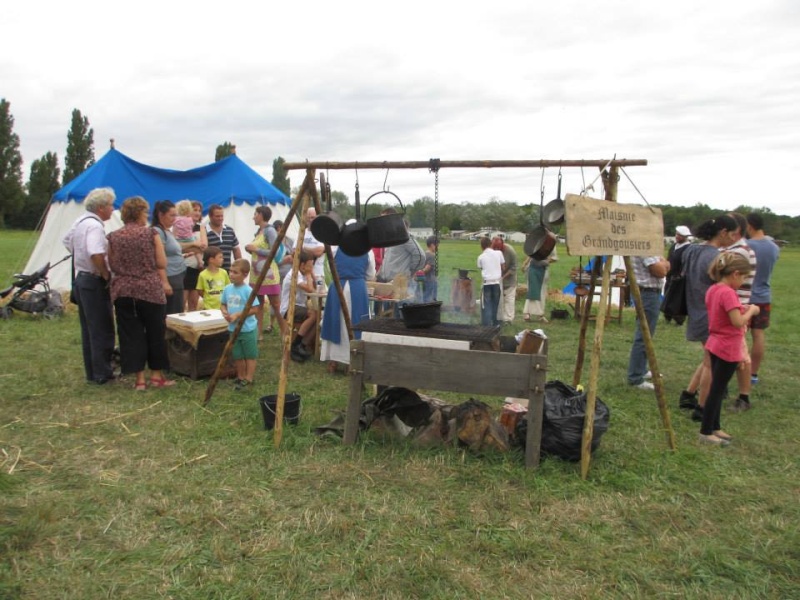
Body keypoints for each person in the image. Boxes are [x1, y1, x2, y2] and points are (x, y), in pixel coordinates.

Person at [107, 196, 174, 390]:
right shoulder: (150, 233)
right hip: (149, 289)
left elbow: (112, 264)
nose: (147, 216)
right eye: (145, 212)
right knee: (155, 332)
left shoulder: (113, 236)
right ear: (139, 213)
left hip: (124, 291)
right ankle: (156, 376)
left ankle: (139, 380)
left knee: (131, 334)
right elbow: (162, 263)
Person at [677, 214, 737, 419]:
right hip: (710, 314)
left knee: (707, 358)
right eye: (732, 234)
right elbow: (721, 287)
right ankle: (702, 408)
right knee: (713, 362)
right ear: (723, 233)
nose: (734, 239)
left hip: (695, 308)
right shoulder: (715, 257)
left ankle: (688, 394)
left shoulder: (692, 250)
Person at [699, 252, 759, 445]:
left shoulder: (714, 289)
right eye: (743, 277)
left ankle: (715, 427)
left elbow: (722, 315)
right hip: (728, 347)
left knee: (719, 386)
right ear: (734, 273)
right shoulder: (729, 293)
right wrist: (751, 310)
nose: (743, 281)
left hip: (715, 342)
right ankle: (706, 431)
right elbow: (736, 322)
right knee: (717, 391)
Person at [62, 187, 117, 384]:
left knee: (89, 329)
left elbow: (67, 241)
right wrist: (105, 273)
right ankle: (103, 373)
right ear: (101, 207)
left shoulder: (80, 221)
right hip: (93, 281)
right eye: (110, 205)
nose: (112, 209)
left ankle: (93, 372)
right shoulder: (94, 226)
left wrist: (81, 256)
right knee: (102, 327)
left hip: (81, 278)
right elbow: (95, 251)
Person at [321, 240, 375, 372]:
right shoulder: (368, 251)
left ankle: (334, 360)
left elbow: (330, 268)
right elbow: (371, 274)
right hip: (356, 288)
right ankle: (351, 360)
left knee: (336, 321)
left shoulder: (335, 248)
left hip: (339, 286)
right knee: (354, 323)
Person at [722, 212, 757, 411]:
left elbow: (723, 275)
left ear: (734, 230)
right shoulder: (737, 248)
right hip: (735, 304)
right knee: (735, 353)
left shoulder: (739, 251)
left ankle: (744, 397)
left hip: (737, 306)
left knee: (741, 354)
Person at [744, 212, 780, 393]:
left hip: (746, 296)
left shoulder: (747, 246)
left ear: (749, 225)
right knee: (758, 336)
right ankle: (753, 374)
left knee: (739, 336)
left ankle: (738, 369)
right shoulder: (774, 247)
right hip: (764, 297)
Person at [626, 255, 670, 390]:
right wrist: (664, 263)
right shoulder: (645, 248)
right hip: (648, 293)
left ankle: (641, 369)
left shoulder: (646, 246)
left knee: (646, 334)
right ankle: (635, 376)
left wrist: (664, 263)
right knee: (644, 335)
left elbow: (666, 265)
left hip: (647, 291)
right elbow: (662, 271)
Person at [244, 206, 287, 341]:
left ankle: (285, 331)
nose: (253, 217)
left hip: (268, 273)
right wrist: (250, 249)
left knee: (275, 303)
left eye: (255, 214)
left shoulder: (270, 231)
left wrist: (256, 249)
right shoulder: (259, 231)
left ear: (261, 215)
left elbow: (274, 251)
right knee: (259, 304)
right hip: (257, 273)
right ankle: (258, 334)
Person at [220, 259, 260, 391]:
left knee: (249, 355)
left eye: (235, 272)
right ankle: (241, 376)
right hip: (233, 328)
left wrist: (238, 314)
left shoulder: (248, 290)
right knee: (237, 355)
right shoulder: (227, 289)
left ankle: (249, 378)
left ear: (245, 274)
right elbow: (223, 304)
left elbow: (255, 309)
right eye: (230, 271)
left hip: (247, 329)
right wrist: (225, 312)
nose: (231, 274)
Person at [376, 211, 426, 299]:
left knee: (401, 312)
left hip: (401, 285)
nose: (382, 223)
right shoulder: (389, 238)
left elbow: (420, 255)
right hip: (389, 284)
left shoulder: (403, 236)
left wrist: (410, 272)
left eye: (384, 219)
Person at [279, 251, 318, 362]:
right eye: (310, 265)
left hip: (299, 306)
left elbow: (316, 286)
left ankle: (303, 345)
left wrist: (312, 275)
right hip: (289, 308)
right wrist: (309, 275)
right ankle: (296, 344)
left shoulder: (303, 274)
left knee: (318, 318)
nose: (311, 268)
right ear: (302, 265)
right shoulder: (294, 274)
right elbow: (310, 289)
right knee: (313, 314)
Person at [152, 200, 188, 316]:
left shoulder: (167, 231)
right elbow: (158, 258)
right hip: (170, 276)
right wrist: (164, 282)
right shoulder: (158, 231)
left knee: (178, 309)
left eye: (175, 215)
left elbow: (170, 252)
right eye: (171, 215)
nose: (175, 218)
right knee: (174, 313)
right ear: (161, 215)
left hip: (177, 275)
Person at [664, 225, 693, 325]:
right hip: (670, 275)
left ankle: (679, 319)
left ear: (685, 237)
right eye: (677, 234)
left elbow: (688, 263)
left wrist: (682, 275)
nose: (677, 237)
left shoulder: (689, 248)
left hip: (680, 277)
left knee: (678, 299)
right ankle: (667, 316)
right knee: (668, 296)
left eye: (680, 235)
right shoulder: (674, 246)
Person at [183, 200, 208, 311]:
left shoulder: (201, 227)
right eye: (195, 210)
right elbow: (180, 247)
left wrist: (192, 250)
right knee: (181, 302)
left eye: (199, 210)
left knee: (193, 303)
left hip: (197, 268)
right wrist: (196, 247)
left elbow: (204, 246)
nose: (197, 213)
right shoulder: (181, 227)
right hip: (184, 268)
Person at [272, 218, 295, 333]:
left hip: (288, 273)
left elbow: (295, 254)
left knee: (286, 299)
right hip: (276, 273)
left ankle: (287, 323)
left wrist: (292, 258)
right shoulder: (274, 243)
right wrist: (283, 260)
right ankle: (272, 323)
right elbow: (271, 260)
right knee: (276, 299)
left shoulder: (290, 241)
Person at [522, 246, 557, 323]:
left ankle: (540, 315)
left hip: (543, 270)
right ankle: (527, 313)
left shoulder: (551, 244)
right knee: (531, 291)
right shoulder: (536, 240)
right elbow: (531, 254)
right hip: (532, 269)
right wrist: (525, 263)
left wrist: (544, 261)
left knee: (542, 293)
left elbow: (554, 258)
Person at [477, 236, 504, 327]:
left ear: (481, 246)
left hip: (487, 283)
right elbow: (503, 267)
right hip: (496, 283)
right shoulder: (499, 253)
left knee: (487, 304)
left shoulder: (480, 257)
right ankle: (495, 322)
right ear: (490, 244)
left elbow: (481, 267)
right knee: (495, 303)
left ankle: (487, 324)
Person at [205, 204, 241, 272]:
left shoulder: (230, 230)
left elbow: (236, 250)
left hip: (227, 272)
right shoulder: (204, 232)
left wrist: (239, 267)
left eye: (222, 216)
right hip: (211, 273)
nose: (220, 218)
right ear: (210, 216)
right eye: (217, 216)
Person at [492, 235, 518, 323]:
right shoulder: (491, 251)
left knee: (509, 299)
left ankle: (509, 319)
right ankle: (500, 318)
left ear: (502, 244)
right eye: (494, 247)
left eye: (498, 247)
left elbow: (514, 267)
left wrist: (503, 277)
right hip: (496, 278)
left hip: (509, 279)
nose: (496, 249)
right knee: (499, 299)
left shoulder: (510, 251)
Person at [196, 246, 230, 310]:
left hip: (222, 307)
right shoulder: (202, 275)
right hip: (208, 308)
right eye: (220, 257)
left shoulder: (224, 272)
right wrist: (208, 297)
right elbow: (200, 290)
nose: (223, 259)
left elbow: (228, 287)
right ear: (211, 259)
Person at [419, 236, 438, 303]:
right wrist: (421, 272)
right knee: (430, 299)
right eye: (437, 245)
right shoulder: (432, 255)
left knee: (425, 296)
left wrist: (419, 275)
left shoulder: (424, 253)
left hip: (425, 280)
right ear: (432, 245)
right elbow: (427, 268)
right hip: (431, 281)